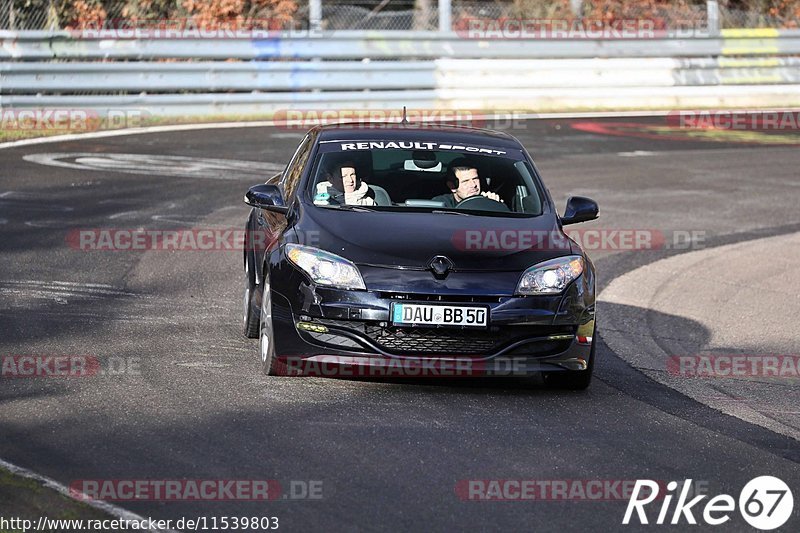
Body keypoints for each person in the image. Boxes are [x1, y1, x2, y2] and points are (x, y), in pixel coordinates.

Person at [432, 158, 502, 208]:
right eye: (465, 181)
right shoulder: (441, 204)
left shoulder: (489, 201)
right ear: (452, 186)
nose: (473, 185)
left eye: (475, 179)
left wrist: (494, 205)